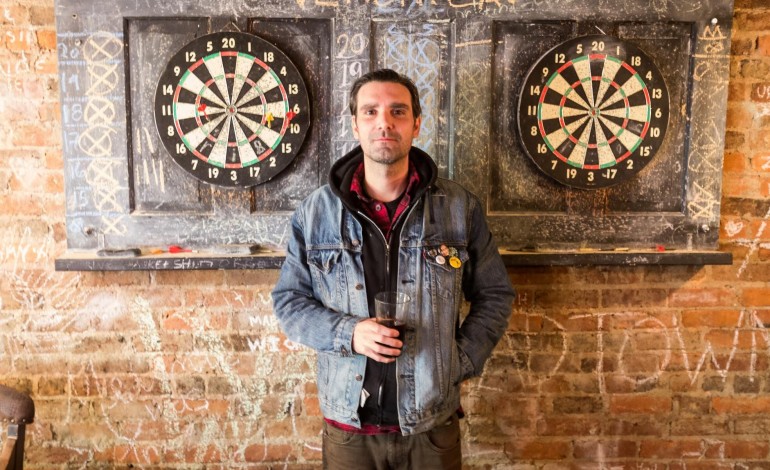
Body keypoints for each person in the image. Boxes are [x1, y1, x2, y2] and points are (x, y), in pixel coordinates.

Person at [272, 68, 515, 469]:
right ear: (355, 124)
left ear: (416, 123)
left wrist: (458, 361)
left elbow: (495, 295)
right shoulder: (316, 212)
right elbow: (289, 302)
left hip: (431, 426)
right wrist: (349, 334)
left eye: (397, 111)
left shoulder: (458, 208)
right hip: (349, 428)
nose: (384, 122)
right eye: (370, 111)